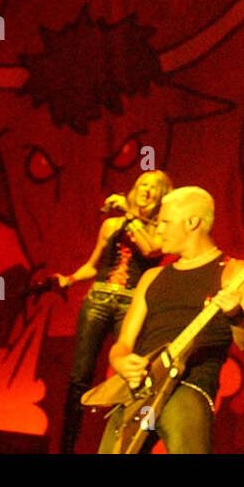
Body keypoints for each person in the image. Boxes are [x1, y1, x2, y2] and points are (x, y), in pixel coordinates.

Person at [96, 186, 244, 454]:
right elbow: (122, 344)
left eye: (164, 222)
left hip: (189, 387)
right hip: (138, 393)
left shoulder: (235, 271)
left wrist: (235, 315)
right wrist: (121, 362)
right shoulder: (151, 278)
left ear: (193, 222)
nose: (157, 230)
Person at [54, 170, 171, 453]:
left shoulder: (160, 228)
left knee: (130, 374)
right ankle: (66, 447)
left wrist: (131, 217)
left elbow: (151, 250)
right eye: (142, 184)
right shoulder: (111, 225)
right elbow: (94, 265)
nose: (146, 190)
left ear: (162, 196)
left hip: (131, 304)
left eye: (153, 188)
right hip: (98, 298)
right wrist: (69, 279)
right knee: (80, 375)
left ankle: (126, 442)